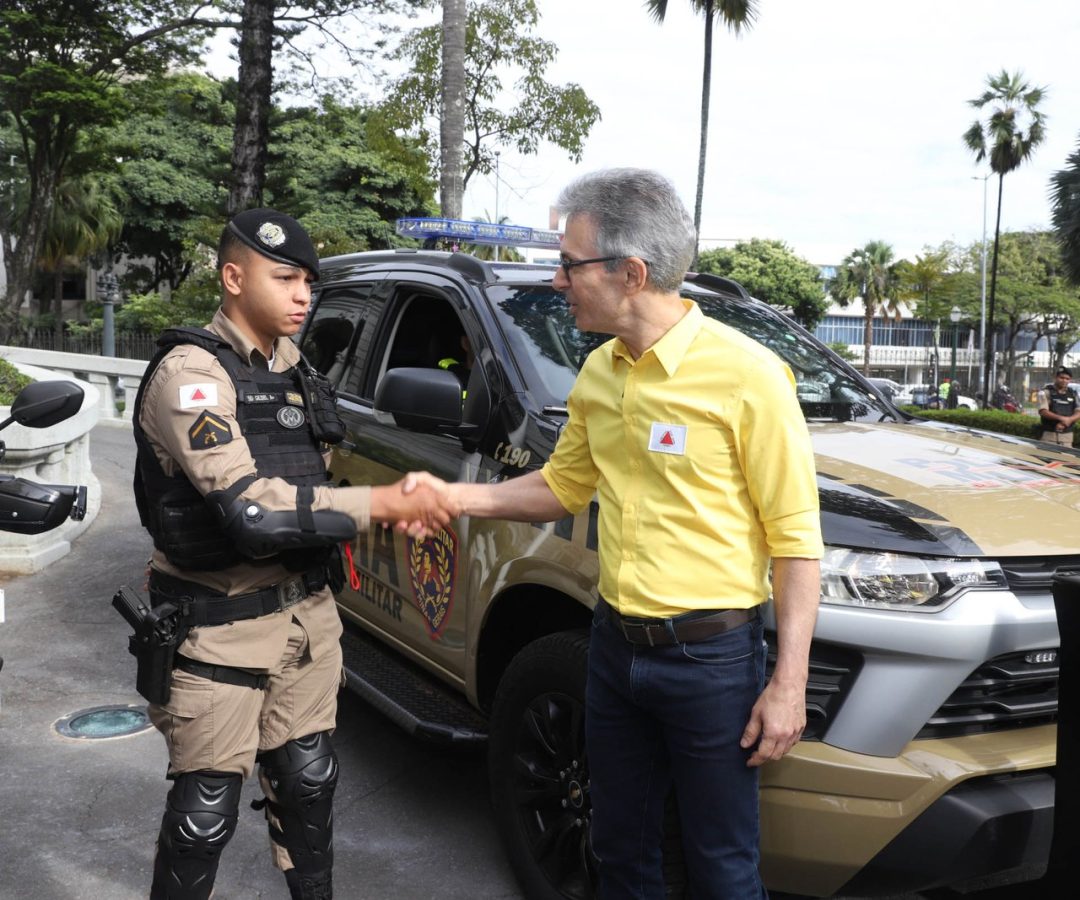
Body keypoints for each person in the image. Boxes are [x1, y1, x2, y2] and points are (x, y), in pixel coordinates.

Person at [407, 169, 823, 898]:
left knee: (722, 868)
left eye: (569, 264)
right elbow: (562, 487)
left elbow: (795, 541)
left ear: (630, 273)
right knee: (619, 852)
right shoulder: (600, 372)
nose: (557, 281)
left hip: (711, 663)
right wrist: (454, 495)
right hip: (612, 648)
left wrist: (789, 685)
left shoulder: (749, 376)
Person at [129, 208, 452, 900]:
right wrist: (382, 505)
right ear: (233, 278)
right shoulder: (191, 376)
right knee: (202, 816)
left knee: (309, 785)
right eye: (284, 278)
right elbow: (251, 510)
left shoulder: (297, 368)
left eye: (308, 280)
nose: (303, 295)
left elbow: (311, 479)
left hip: (306, 622)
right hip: (219, 631)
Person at [1038, 367, 1080, 446]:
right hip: (1049, 436)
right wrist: (1062, 418)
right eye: (1062, 378)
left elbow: (1078, 411)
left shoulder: (1073, 393)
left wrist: (1069, 420)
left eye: (1067, 379)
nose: (1064, 380)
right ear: (1056, 378)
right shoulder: (1046, 392)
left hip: (1067, 438)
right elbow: (1043, 411)